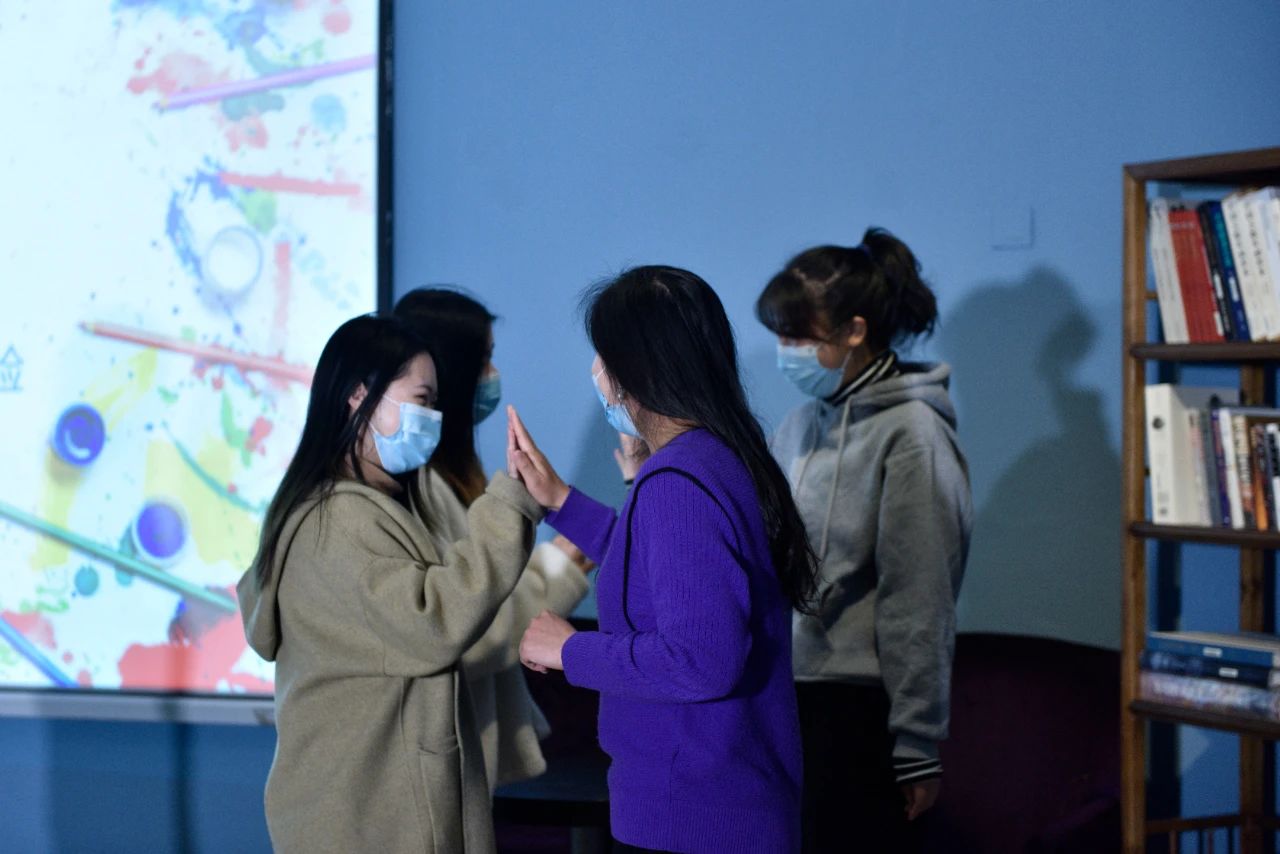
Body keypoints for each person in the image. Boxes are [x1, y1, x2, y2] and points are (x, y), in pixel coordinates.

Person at [514, 266, 818, 854]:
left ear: (637, 367)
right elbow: (661, 575)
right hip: (724, 806)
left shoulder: (677, 480)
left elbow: (701, 660)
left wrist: (569, 650)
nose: (597, 373)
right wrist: (561, 503)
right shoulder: (718, 457)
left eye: (603, 355)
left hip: (692, 815)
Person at [236, 314, 543, 853]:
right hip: (369, 819)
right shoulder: (339, 523)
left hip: (370, 811)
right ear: (359, 395)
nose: (433, 418)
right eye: (421, 399)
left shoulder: (364, 506)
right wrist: (511, 503)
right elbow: (435, 621)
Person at [755, 228, 973, 852]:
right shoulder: (800, 425)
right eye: (781, 335)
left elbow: (919, 595)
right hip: (786, 696)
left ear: (854, 330)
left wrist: (916, 742)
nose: (786, 352)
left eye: (799, 337)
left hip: (857, 712)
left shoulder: (913, 434)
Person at [393, 287, 592, 790]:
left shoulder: (452, 475)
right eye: (483, 360)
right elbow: (464, 627)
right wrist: (555, 573)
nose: (492, 375)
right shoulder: (417, 486)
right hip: (437, 760)